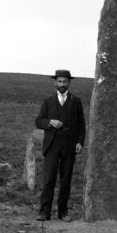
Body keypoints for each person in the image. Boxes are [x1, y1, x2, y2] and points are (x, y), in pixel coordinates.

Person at [35, 69, 86, 222]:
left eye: (65, 81)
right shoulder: (48, 101)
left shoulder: (76, 101)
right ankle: (44, 212)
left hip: (69, 145)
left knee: (66, 180)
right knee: (49, 179)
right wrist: (50, 122)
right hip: (52, 144)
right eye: (59, 81)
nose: (62, 84)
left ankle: (63, 212)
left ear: (69, 82)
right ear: (55, 82)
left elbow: (81, 125)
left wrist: (79, 142)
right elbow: (38, 121)